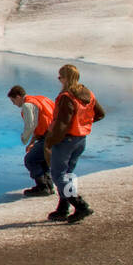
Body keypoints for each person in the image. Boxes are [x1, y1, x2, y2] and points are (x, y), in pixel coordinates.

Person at [43, 64, 106, 224]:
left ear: (66, 78)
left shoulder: (66, 97)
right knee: (68, 174)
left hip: (66, 141)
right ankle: (62, 208)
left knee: (58, 175)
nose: (59, 79)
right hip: (81, 140)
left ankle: (80, 206)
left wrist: (50, 142)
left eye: (60, 76)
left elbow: (62, 124)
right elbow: (100, 114)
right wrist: (83, 124)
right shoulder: (87, 93)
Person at [7, 84, 55, 196]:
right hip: (55, 135)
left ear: (18, 97)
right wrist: (32, 142)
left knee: (30, 159)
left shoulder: (28, 105)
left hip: (49, 137)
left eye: (13, 101)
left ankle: (42, 187)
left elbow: (31, 124)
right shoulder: (42, 98)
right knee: (42, 159)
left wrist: (24, 138)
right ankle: (48, 185)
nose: (14, 104)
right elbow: (43, 122)